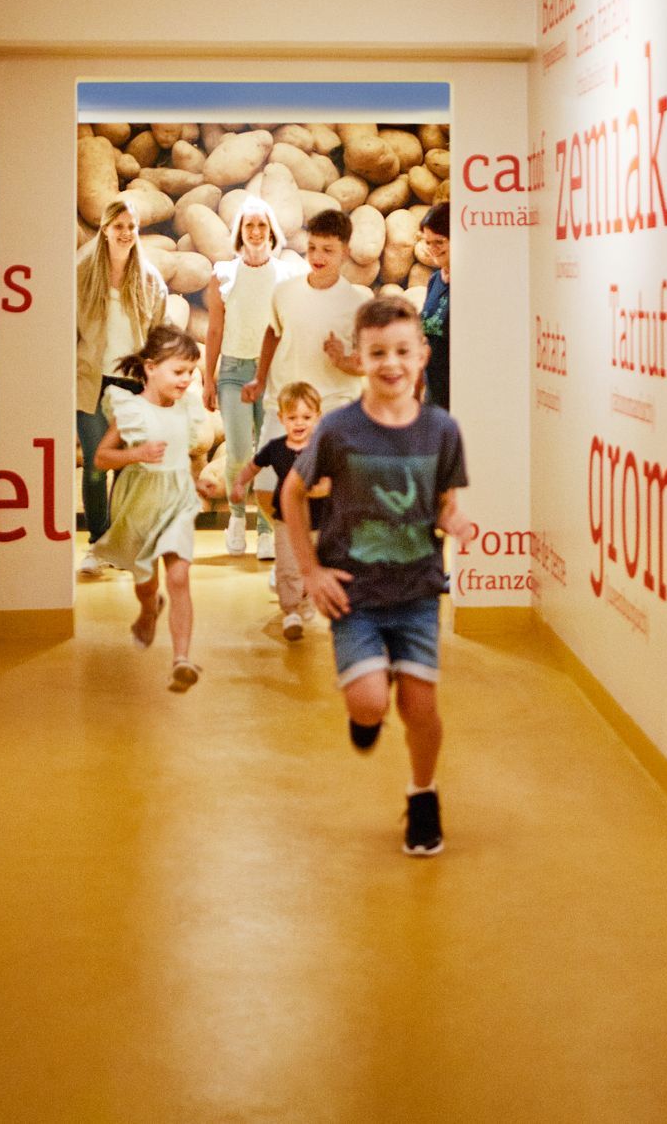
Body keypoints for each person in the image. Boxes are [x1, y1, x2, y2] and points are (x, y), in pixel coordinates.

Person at [283, 296, 471, 856]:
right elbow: (294, 493)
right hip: (354, 593)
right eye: (378, 352)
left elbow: (443, 501)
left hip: (416, 591)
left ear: (422, 355)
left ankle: (423, 795)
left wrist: (453, 519)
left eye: (402, 351)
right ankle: (368, 699)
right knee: (368, 704)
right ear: (358, 359)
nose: (391, 363)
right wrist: (311, 569)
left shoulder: (441, 430)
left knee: (420, 707)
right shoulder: (339, 430)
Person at [90, 325, 206, 692]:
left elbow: (184, 455)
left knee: (179, 577)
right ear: (151, 367)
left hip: (177, 501)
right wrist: (135, 454)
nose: (186, 379)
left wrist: (199, 482)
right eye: (178, 371)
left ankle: (182, 659)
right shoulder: (131, 410)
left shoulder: (188, 408)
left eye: (190, 372)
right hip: (140, 503)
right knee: (147, 582)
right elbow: (101, 459)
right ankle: (147, 607)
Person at [74, 198, 168, 574]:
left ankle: (123, 546)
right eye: (119, 226)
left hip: (132, 386)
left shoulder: (149, 280)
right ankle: (97, 544)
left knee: (128, 470)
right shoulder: (82, 273)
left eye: (131, 227)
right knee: (97, 465)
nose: (125, 233)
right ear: (105, 229)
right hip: (92, 382)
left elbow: (159, 336)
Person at [204, 199, 298, 561]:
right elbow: (214, 329)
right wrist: (209, 379)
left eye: (262, 226)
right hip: (232, 372)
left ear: (271, 231)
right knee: (240, 452)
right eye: (249, 226)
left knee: (268, 453)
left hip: (273, 373)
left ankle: (266, 531)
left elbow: (290, 328)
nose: (256, 232)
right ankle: (237, 519)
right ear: (239, 233)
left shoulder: (288, 275)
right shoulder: (223, 273)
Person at [257, 208, 371, 429]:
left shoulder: (358, 305)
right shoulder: (284, 291)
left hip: (334, 410)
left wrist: (342, 360)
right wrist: (260, 379)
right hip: (284, 404)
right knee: (271, 463)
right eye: (312, 248)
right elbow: (273, 334)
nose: (317, 257)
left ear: (346, 252)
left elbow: (367, 365)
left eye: (328, 250)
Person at [231, 382, 327, 641]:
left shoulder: (322, 449)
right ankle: (291, 611)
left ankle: (306, 597)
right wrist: (240, 484)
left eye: (306, 417)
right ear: (281, 418)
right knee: (286, 564)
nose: (299, 423)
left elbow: (334, 479)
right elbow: (253, 466)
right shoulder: (275, 448)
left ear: (318, 417)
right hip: (286, 517)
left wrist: (320, 489)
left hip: (318, 520)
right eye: (292, 417)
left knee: (312, 564)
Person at [417, 202, 451, 408]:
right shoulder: (435, 280)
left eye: (439, 242)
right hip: (434, 392)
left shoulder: (472, 286)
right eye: (427, 242)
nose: (432, 249)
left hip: (460, 392)